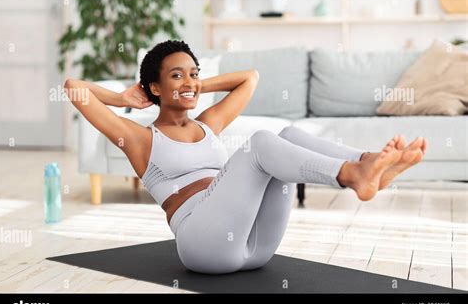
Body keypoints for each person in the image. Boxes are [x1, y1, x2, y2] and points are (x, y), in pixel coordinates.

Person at [64, 40, 428, 274]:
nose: (190, 80)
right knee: (260, 143)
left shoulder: (208, 124)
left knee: (287, 135)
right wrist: (127, 99)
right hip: (202, 243)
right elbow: (74, 89)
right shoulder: (141, 139)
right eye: (176, 75)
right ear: (155, 87)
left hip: (255, 247)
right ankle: (352, 174)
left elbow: (249, 79)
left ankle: (365, 164)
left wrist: (194, 85)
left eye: (194, 72)